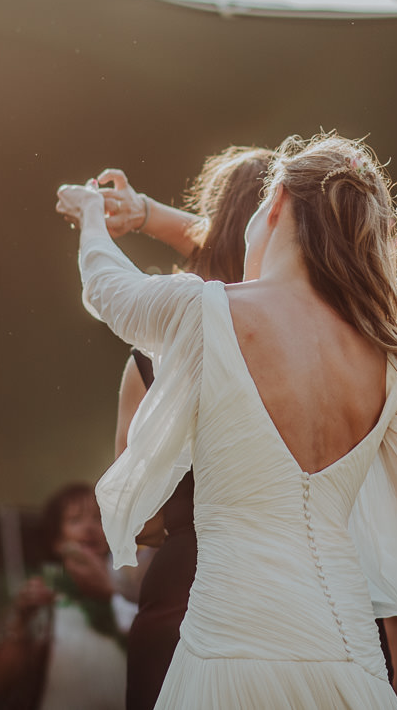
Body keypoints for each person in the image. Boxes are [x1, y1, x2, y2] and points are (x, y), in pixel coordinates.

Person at [54, 132, 397, 709]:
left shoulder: (205, 311)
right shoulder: (395, 362)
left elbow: (108, 288)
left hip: (226, 653)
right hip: (348, 660)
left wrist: (92, 216)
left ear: (279, 200)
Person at [96, 146, 276, 710]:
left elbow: (140, 516)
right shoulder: (330, 350)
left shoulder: (154, 360)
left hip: (190, 594)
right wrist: (146, 213)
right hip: (308, 601)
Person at [0, 483, 128, 710]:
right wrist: (20, 621)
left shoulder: (130, 591)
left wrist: (109, 596)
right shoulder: (42, 597)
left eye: (98, 518)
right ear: (57, 541)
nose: (89, 528)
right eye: (75, 520)